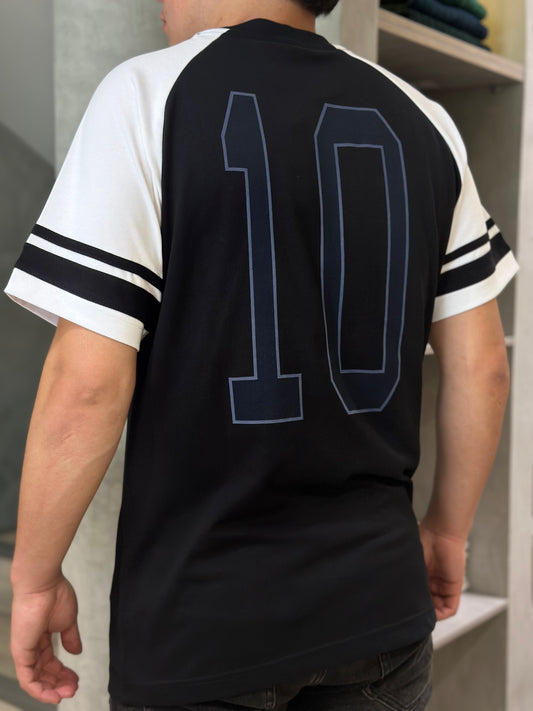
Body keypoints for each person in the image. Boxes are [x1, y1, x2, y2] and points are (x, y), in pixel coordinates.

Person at [5, 0, 516, 709]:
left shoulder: (146, 93)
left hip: (202, 627)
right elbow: (482, 366)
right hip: (379, 607)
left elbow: (86, 383)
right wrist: (448, 531)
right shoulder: (423, 119)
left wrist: (34, 578)